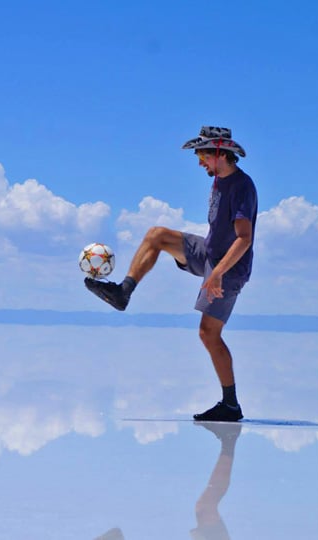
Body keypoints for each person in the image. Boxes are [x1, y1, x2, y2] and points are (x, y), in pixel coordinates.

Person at [85, 126, 258, 422]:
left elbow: (244, 238)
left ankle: (230, 405)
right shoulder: (217, 181)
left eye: (202, 155)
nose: (199, 162)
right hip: (209, 254)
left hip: (229, 268)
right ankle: (122, 292)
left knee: (208, 333)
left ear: (218, 153)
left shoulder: (243, 186)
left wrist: (216, 273)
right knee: (157, 236)